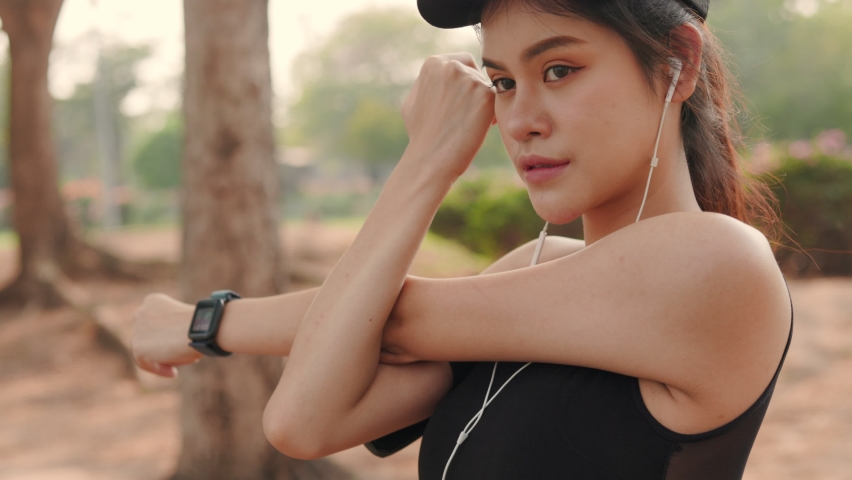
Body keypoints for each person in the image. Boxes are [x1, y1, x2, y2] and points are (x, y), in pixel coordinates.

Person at [131, 0, 793, 478]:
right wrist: (424, 162)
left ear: (678, 62)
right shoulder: (530, 269)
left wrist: (203, 321)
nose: (521, 120)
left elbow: (396, 318)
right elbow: (304, 420)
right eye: (502, 82)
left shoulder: (720, 264)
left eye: (559, 69)